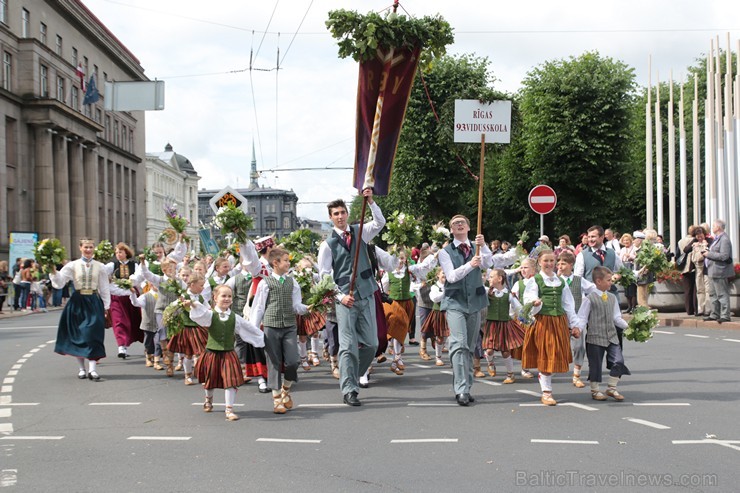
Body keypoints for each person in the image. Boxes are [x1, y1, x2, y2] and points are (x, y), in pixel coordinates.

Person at [317, 189, 385, 406]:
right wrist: (340, 296)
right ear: (330, 217)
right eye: (335, 213)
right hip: (345, 300)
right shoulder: (327, 245)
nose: (340, 216)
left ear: (347, 213)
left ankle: (351, 374)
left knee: (372, 344)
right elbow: (325, 277)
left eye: (342, 212)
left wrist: (371, 202)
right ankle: (349, 389)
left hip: (366, 294)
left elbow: (380, 223)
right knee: (347, 346)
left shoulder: (360, 231)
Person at [186, 285, 265, 421]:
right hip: (212, 353)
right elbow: (200, 313)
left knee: (231, 381)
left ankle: (229, 410)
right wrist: (193, 304)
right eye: (223, 296)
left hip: (228, 353)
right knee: (210, 379)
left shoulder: (235, 317)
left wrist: (262, 338)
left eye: (229, 296)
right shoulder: (210, 315)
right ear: (215, 298)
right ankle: (208, 400)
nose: (227, 299)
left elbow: (249, 329)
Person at [438, 214, 493, 406]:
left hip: (475, 302)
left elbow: (489, 264)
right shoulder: (445, 252)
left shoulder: (477, 247)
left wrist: (484, 245)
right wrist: (470, 264)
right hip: (455, 303)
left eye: (462, 222)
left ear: (469, 227)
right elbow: (452, 277)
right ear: (451, 230)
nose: (459, 225)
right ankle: (460, 388)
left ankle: (467, 387)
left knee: (469, 347)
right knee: (459, 344)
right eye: (455, 223)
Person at [250, 247, 309, 414]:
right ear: (275, 263)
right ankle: (277, 399)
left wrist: (309, 308)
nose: (289, 263)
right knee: (274, 363)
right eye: (286, 261)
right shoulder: (265, 283)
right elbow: (259, 307)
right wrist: (254, 330)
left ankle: (285, 390)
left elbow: (296, 305)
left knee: (293, 361)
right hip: (271, 326)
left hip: (289, 326)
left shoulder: (293, 282)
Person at [522, 250, 580, 406]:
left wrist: (574, 325)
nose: (549, 264)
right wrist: (535, 303)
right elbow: (528, 299)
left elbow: (568, 304)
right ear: (539, 262)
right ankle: (546, 392)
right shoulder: (535, 281)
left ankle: (545, 382)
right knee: (547, 353)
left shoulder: (560, 282)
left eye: (552, 261)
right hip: (543, 322)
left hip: (559, 321)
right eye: (546, 261)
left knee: (555, 355)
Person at [49, 238, 111, 381]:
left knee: (93, 333)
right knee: (79, 335)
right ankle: (82, 369)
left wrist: (106, 306)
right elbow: (59, 283)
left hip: (94, 301)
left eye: (90, 247)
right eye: (86, 247)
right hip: (78, 302)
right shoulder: (73, 265)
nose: (88, 250)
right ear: (80, 248)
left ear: (94, 248)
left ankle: (93, 369)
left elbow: (104, 286)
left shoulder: (100, 266)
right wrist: (52, 270)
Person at [576, 266, 630, 401]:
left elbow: (616, 318)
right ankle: (595, 390)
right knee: (595, 364)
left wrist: (629, 327)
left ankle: (612, 388)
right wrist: (578, 329)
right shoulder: (589, 299)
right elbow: (582, 317)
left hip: (612, 336)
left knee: (619, 361)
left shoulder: (612, 298)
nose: (611, 282)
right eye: (608, 280)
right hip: (595, 337)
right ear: (598, 281)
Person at [557, 250, 596, 389]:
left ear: (571, 265)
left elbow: (593, 289)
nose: (560, 266)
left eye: (564, 263)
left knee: (579, 347)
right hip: (559, 319)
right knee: (557, 346)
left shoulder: (579, 280)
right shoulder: (555, 281)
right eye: (559, 263)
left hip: (576, 319)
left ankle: (576, 375)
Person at [482, 269, 525, 384]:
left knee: (505, 351)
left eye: (491, 277)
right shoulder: (488, 291)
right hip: (491, 324)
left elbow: (519, 308)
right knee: (489, 350)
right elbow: (478, 288)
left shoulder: (509, 295)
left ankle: (510, 374)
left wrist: (527, 316)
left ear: (500, 279)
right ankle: (490, 363)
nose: (489, 279)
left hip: (504, 324)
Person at [169, 272, 209, 385]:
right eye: (201, 285)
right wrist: (176, 309)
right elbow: (172, 307)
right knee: (188, 353)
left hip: (199, 328)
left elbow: (208, 309)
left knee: (201, 353)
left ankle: (202, 374)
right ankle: (188, 376)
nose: (203, 288)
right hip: (187, 328)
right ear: (192, 285)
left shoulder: (201, 297)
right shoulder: (184, 296)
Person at [105, 242, 143, 359]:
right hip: (116, 297)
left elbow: (139, 277)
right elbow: (102, 273)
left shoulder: (134, 265)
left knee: (134, 321)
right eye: (116, 252)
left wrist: (131, 282)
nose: (118, 254)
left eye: (120, 252)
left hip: (130, 296)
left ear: (126, 253)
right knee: (119, 321)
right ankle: (121, 346)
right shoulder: (112, 265)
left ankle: (147, 345)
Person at [702, 219, 734, 323]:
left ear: (719, 227)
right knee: (713, 294)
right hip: (712, 270)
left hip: (720, 271)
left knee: (722, 294)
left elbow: (724, 256)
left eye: (714, 226)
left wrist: (708, 254)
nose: (712, 227)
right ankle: (714, 314)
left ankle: (725, 315)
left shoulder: (724, 239)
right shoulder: (717, 239)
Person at [423, 267, 450, 367]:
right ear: (438, 275)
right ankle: (438, 357)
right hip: (439, 313)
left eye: (446, 273)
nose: (445, 275)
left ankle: (452, 357)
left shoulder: (451, 285)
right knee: (440, 337)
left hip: (451, 312)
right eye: (443, 273)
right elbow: (435, 298)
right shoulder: (435, 287)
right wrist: (446, 292)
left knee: (449, 336)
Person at [687, 226, 711, 317]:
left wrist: (705, 245)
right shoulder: (695, 242)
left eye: (701, 236)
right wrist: (694, 244)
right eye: (697, 236)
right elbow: (686, 250)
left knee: (707, 288)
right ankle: (701, 308)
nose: (700, 238)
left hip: (706, 268)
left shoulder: (709, 241)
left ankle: (708, 309)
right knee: (699, 289)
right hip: (698, 268)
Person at [677, 226, 699, 316]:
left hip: (684, 268)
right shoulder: (695, 241)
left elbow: (677, 254)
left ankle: (688, 310)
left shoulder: (680, 241)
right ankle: (695, 309)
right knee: (695, 289)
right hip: (692, 266)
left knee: (687, 290)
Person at [619, 233, 638, 314]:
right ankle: (629, 306)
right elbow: (620, 259)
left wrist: (630, 256)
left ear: (630, 241)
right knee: (626, 290)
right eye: (624, 240)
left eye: (627, 240)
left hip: (631, 268)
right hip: (624, 268)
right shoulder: (622, 249)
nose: (626, 241)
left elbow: (637, 257)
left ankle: (634, 307)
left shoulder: (634, 248)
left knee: (632, 289)